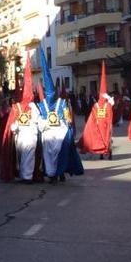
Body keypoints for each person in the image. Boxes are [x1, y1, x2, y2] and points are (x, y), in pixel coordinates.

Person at [36, 49, 83, 184]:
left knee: (59, 155)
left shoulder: (60, 103)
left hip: (58, 134)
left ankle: (57, 173)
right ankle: (53, 173)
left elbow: (68, 118)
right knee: (51, 156)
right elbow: (40, 119)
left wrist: (68, 129)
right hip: (49, 135)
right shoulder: (43, 104)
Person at [1, 55, 42, 183]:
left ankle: (26, 176)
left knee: (24, 156)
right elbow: (37, 121)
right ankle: (26, 176)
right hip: (27, 136)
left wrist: (16, 126)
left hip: (22, 136)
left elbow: (12, 126)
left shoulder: (17, 107)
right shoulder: (32, 107)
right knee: (27, 156)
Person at [79, 62, 115, 159]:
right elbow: (94, 116)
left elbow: (96, 117)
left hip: (103, 125)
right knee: (105, 139)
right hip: (103, 125)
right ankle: (104, 154)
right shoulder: (103, 105)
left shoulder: (100, 105)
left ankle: (106, 153)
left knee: (104, 139)